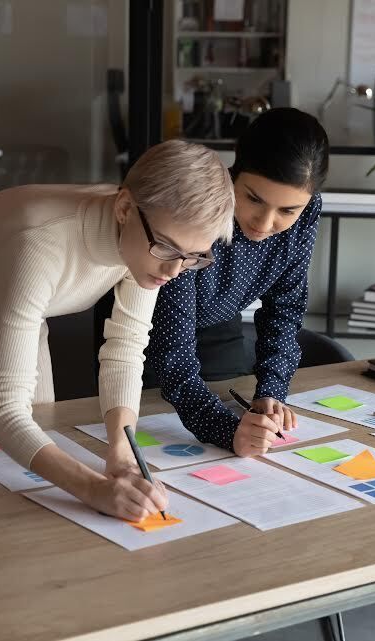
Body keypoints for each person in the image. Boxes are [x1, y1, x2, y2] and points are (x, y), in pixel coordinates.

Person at [0, 140, 235, 521]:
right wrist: (92, 489)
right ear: (123, 208)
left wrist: (120, 448)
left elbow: (125, 349)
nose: (174, 271)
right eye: (169, 249)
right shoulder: (40, 243)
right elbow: (4, 411)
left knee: (24, 481)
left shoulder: (150, 244)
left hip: (22, 313)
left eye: (193, 257)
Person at [145, 107, 330, 457]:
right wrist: (228, 431)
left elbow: (285, 308)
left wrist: (271, 393)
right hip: (148, 333)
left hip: (220, 326)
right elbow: (172, 355)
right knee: (157, 441)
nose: (265, 222)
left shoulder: (308, 211)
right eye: (253, 199)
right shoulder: (194, 204)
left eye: (287, 211)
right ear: (233, 174)